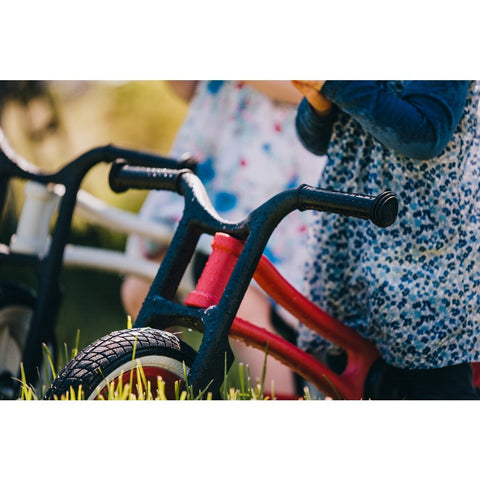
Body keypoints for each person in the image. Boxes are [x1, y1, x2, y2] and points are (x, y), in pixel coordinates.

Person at [121, 80, 325, 398]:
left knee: (244, 309)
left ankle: (284, 398)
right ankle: (163, 389)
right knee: (142, 287)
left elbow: (318, 88)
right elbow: (186, 87)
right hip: (216, 163)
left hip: (270, 177)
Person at [291, 80, 480, 399]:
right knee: (352, 372)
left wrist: (335, 83)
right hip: (349, 238)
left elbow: (425, 135)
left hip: (423, 254)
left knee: (428, 383)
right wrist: (318, 103)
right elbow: (316, 141)